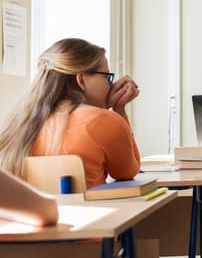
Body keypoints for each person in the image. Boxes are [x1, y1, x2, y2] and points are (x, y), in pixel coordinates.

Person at [0, 38, 141, 189]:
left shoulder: (19, 122)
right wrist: (119, 111)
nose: (110, 84)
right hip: (92, 212)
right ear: (81, 80)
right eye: (106, 76)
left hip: (38, 212)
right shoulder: (106, 121)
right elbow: (127, 173)